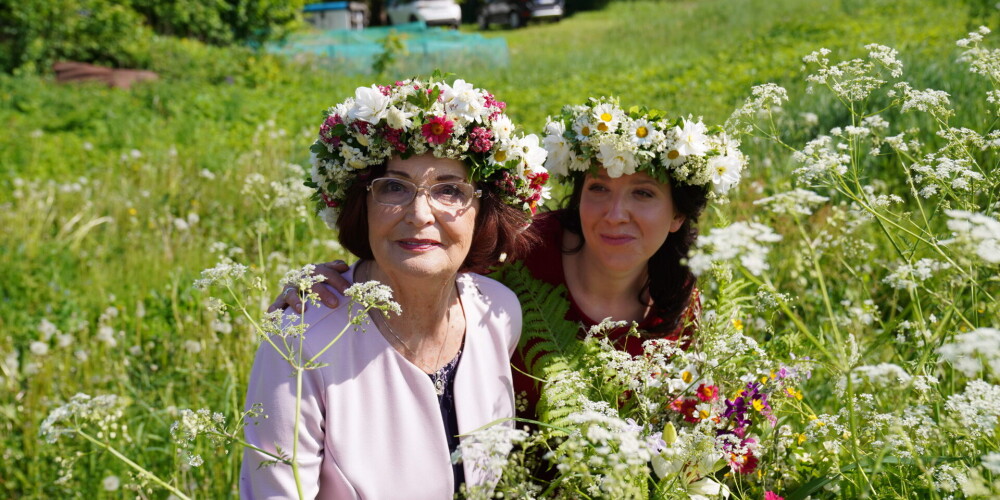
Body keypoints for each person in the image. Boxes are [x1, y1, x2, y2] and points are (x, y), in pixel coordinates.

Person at [269, 96, 747, 423]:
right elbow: (425, 259)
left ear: (678, 216)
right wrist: (335, 282)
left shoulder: (687, 301)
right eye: (598, 189)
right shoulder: (520, 250)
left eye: (643, 193)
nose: (615, 215)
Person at [241, 77, 550, 499]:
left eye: (449, 190)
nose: (420, 213)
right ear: (360, 204)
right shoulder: (298, 340)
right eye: (393, 187)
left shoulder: (497, 311)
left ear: (482, 210)